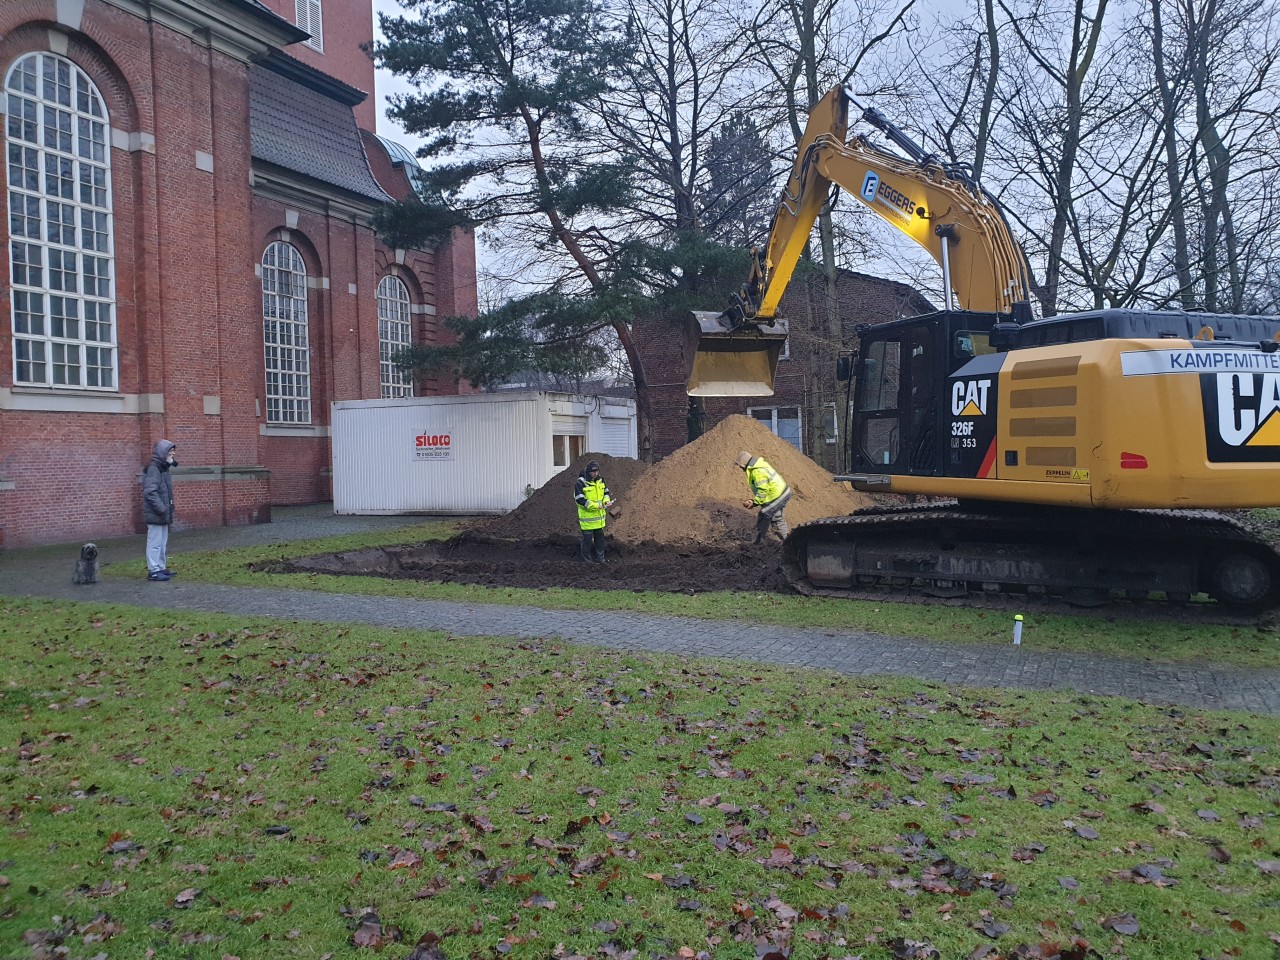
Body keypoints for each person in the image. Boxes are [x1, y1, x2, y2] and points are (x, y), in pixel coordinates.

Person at [736, 450, 791, 544]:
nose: (740, 467)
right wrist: (755, 501)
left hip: (778, 495)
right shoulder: (757, 466)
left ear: (744, 463)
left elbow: (763, 490)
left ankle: (788, 543)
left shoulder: (757, 471)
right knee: (770, 516)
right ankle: (759, 541)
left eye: (740, 465)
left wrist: (755, 502)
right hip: (779, 493)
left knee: (769, 515)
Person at [142, 439, 178, 581]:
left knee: (162, 543)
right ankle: (154, 570)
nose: (173, 453)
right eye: (171, 451)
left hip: (163, 513)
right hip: (157, 513)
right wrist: (162, 509)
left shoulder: (163, 468)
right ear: (163, 453)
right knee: (155, 543)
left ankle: (161, 567)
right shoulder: (154, 469)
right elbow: (150, 492)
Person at [573, 459, 615, 563]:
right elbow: (580, 500)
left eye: (597, 471)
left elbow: (606, 493)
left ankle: (601, 559)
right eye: (593, 472)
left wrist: (606, 501)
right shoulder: (580, 483)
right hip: (587, 520)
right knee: (586, 540)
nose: (595, 474)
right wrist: (597, 506)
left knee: (600, 541)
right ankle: (587, 561)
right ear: (588, 471)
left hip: (599, 519)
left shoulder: (601, 480)